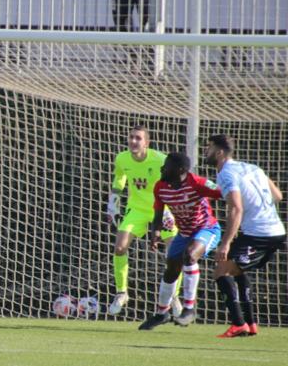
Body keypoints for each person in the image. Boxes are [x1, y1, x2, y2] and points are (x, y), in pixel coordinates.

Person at [205, 135, 286, 338]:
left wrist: (225, 243)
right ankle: (250, 323)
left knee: (221, 271)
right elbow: (278, 196)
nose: (206, 152)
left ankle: (238, 324)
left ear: (220, 152)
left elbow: (236, 209)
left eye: (209, 148)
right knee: (238, 271)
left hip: (259, 234)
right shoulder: (252, 167)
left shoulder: (226, 174)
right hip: (276, 230)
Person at [139, 152, 222, 330]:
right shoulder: (161, 187)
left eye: (167, 166)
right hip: (183, 234)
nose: (163, 169)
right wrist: (156, 232)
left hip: (206, 229)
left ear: (181, 170)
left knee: (190, 256)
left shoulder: (197, 182)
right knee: (171, 270)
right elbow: (158, 213)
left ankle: (189, 309)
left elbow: (223, 193)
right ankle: (162, 314)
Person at [106, 125, 182, 316]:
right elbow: (119, 178)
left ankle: (174, 296)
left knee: (175, 252)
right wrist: (113, 203)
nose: (133, 141)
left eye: (138, 138)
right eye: (131, 137)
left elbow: (177, 181)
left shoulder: (160, 159)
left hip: (162, 209)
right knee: (120, 247)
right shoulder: (122, 158)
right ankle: (122, 293)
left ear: (146, 143)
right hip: (137, 209)